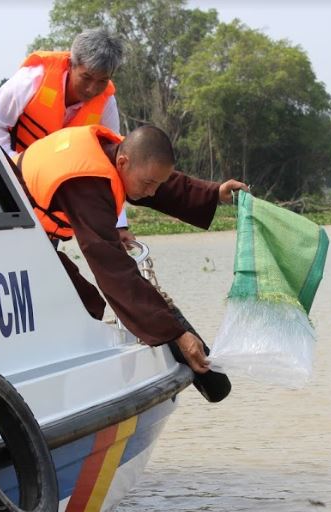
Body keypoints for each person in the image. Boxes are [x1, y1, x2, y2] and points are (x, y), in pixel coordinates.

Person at [16, 123, 248, 377]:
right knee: (82, 302)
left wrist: (214, 192)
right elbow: (114, 270)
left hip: (29, 234)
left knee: (85, 303)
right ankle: (63, 378)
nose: (152, 192)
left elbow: (160, 182)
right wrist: (176, 333)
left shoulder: (117, 155)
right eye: (148, 184)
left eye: (156, 185)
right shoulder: (87, 184)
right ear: (123, 162)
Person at [0, 28, 132, 237]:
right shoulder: (32, 79)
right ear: (71, 64)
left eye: (102, 81)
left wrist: (120, 224)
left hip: (49, 200)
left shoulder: (106, 103)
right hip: (7, 182)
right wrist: (13, 169)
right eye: (86, 77)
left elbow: (112, 163)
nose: (92, 89)